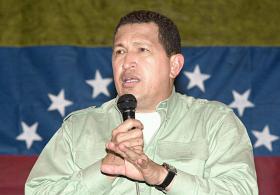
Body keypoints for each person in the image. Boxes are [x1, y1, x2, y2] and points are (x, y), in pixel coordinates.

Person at [25, 10, 258, 194]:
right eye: (119, 52)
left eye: (142, 49)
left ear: (174, 65)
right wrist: (104, 170)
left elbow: (240, 191)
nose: (127, 62)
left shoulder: (214, 121)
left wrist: (163, 177)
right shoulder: (78, 127)